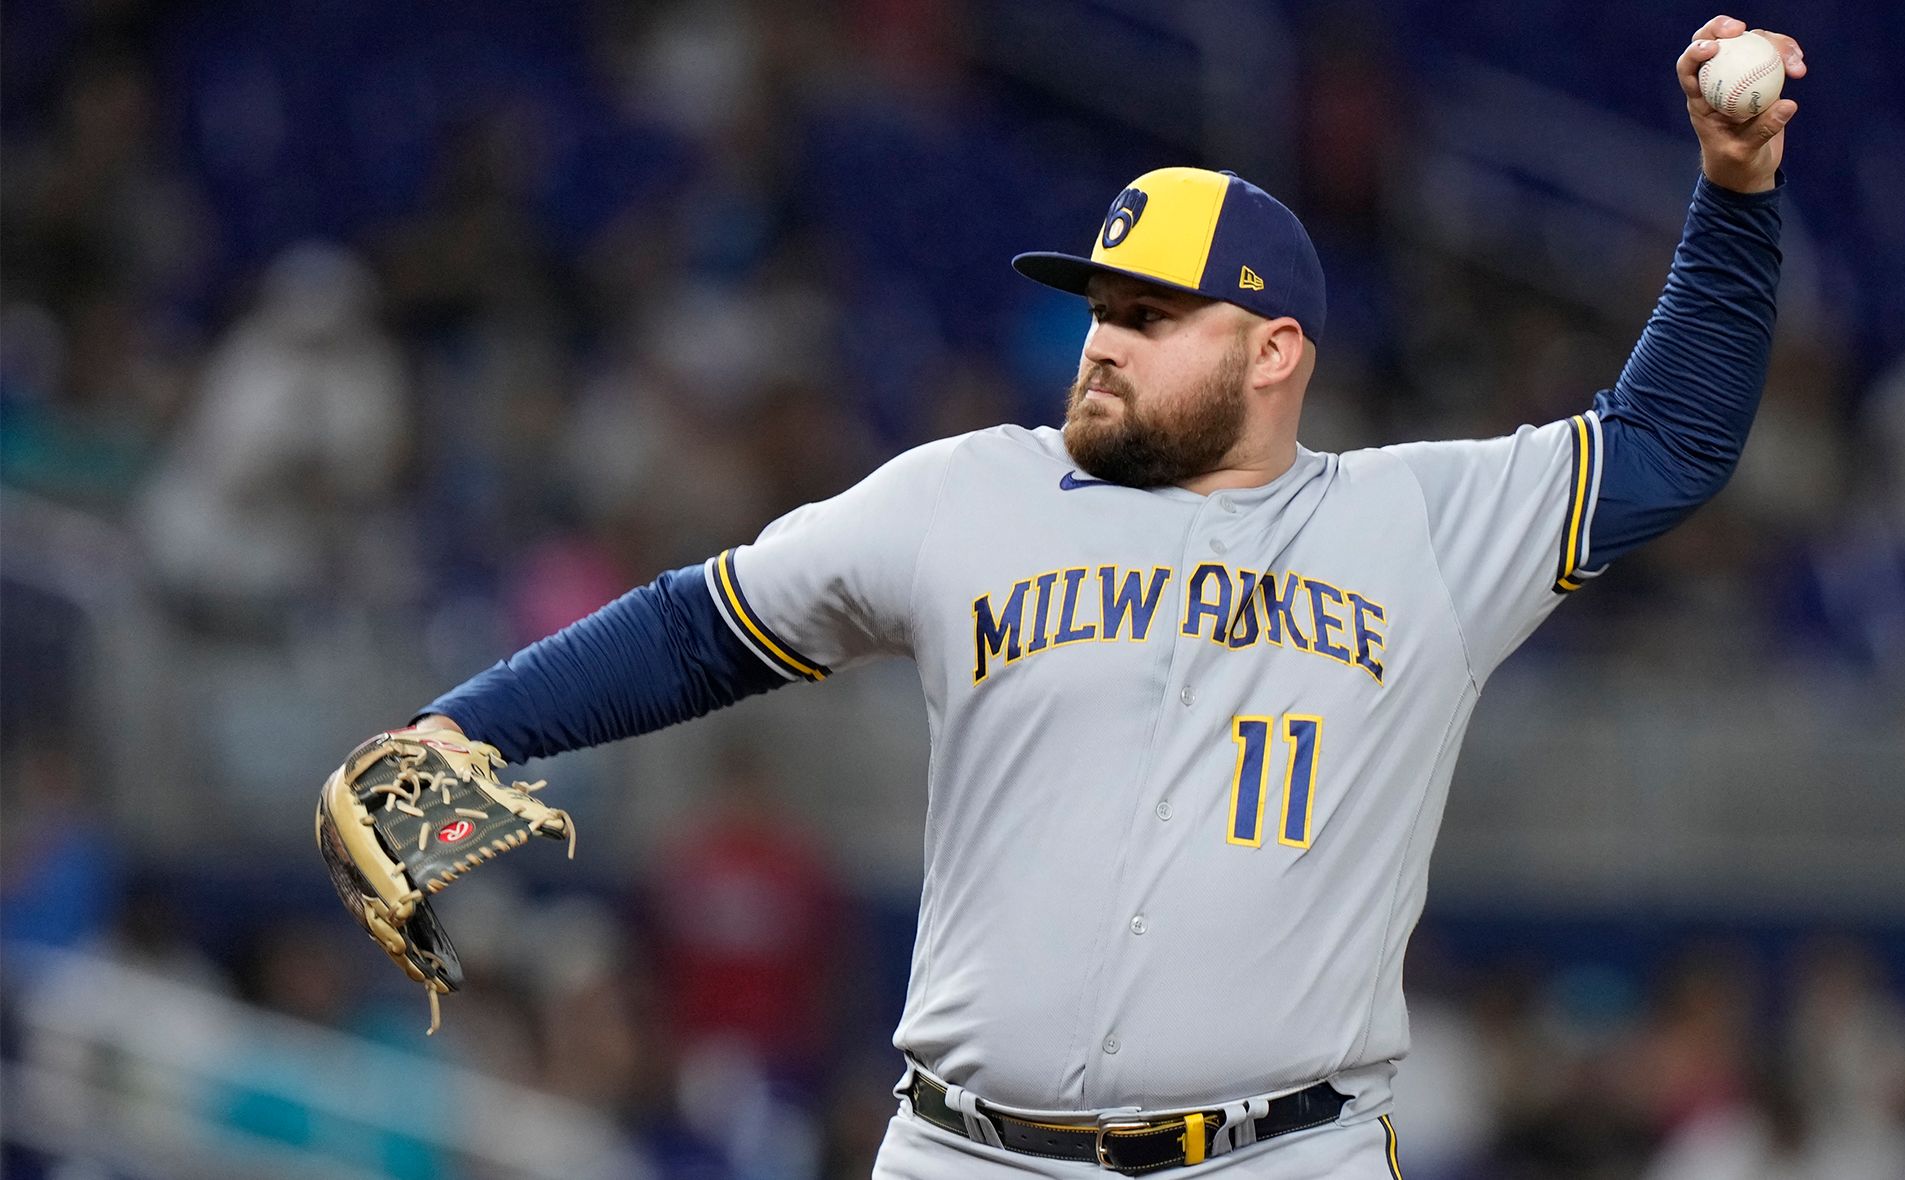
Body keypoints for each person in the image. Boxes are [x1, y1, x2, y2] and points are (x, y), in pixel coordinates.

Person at [404, 17, 1805, 1176]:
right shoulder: (964, 495)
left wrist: (1735, 194)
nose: (1101, 343)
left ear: (1274, 351)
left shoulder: (1417, 523)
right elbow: (699, 623)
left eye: (1149, 315)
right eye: (1097, 308)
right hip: (969, 1155)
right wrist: (468, 730)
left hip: (1283, 1156)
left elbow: (1668, 442)